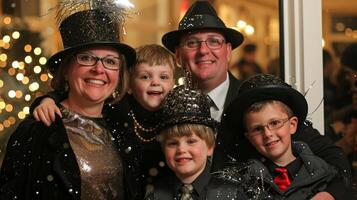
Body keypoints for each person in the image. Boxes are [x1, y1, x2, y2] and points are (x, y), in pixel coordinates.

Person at [160, 1, 352, 195]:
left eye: (214, 41)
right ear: (177, 55)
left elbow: (333, 158)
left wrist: (331, 194)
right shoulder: (167, 107)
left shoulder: (257, 101)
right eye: (192, 43)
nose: (203, 50)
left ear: (228, 51)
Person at [0, 3, 137, 199]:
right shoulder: (36, 131)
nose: (99, 69)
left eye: (110, 61)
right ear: (65, 69)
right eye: (86, 58)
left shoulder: (124, 127)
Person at [29, 44, 177, 199]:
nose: (155, 82)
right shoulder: (117, 110)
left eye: (164, 77)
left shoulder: (177, 114)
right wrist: (48, 100)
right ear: (129, 85)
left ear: (172, 83)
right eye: (145, 77)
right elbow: (79, 96)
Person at [219, 74, 352, 199]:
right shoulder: (242, 184)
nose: (268, 133)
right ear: (249, 137)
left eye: (275, 123)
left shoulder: (325, 176)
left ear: (292, 125)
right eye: (258, 129)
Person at [145, 84, 247, 199]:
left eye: (191, 141)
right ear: (163, 149)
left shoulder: (233, 194)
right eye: (173, 143)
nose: (181, 150)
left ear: (210, 146)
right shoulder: (155, 196)